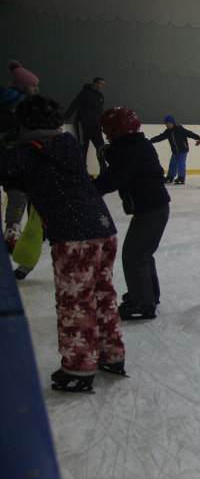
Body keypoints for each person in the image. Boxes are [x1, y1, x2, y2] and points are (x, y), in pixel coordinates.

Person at [0, 95, 125, 392]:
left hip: (74, 237)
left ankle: (79, 371)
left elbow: (7, 166)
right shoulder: (67, 144)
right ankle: (112, 355)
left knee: (75, 303)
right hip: (103, 228)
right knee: (102, 295)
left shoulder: (29, 152)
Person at [94, 106, 171, 320]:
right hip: (153, 207)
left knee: (135, 254)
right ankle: (148, 296)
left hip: (151, 210)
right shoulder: (136, 144)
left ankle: (142, 302)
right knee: (142, 254)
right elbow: (123, 163)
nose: (105, 135)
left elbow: (112, 179)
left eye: (107, 130)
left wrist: (88, 189)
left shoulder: (130, 152)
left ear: (117, 130)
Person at [4, 60, 44, 279]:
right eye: (33, 85)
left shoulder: (37, 108)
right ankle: (12, 231)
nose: (37, 89)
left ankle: (25, 255)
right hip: (19, 167)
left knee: (37, 216)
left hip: (34, 167)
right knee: (18, 199)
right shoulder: (12, 111)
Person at [64, 76, 106, 167]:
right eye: (101, 84)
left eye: (104, 85)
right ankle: (82, 169)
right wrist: (64, 118)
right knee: (83, 147)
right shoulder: (86, 93)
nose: (102, 87)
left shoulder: (100, 97)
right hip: (83, 123)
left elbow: (100, 111)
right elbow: (75, 105)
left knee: (100, 146)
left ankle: (103, 167)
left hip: (96, 124)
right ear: (95, 84)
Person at [150, 116, 200, 184]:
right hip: (175, 151)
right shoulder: (167, 132)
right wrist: (150, 141)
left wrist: (199, 138)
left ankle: (181, 177)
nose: (168, 125)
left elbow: (190, 134)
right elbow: (160, 137)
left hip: (183, 150)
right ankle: (170, 177)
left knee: (181, 163)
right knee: (172, 163)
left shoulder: (180, 129)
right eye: (167, 124)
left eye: (169, 123)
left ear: (173, 123)